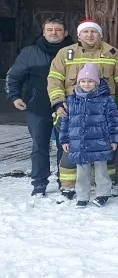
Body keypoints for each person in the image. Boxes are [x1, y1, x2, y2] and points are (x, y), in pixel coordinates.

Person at [48, 19, 118, 203]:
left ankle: (103, 187)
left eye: (93, 32)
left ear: (100, 34)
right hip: (72, 111)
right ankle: (68, 186)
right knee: (71, 150)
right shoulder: (65, 53)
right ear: (79, 35)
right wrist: (58, 103)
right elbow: (54, 79)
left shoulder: (112, 53)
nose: (89, 35)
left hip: (101, 113)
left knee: (104, 151)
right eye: (85, 32)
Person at [6, 18, 73, 196]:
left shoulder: (74, 52)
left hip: (66, 107)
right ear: (43, 32)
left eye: (58, 29)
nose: (53, 32)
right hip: (38, 106)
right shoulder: (30, 52)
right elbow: (14, 76)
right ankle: (39, 182)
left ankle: (65, 181)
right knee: (39, 146)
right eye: (49, 29)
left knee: (66, 146)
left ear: (65, 32)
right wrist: (15, 96)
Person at [58, 63, 118, 208]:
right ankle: (82, 196)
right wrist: (65, 139)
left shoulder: (106, 99)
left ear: (96, 82)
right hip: (79, 142)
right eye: (83, 81)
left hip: (100, 141)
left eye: (90, 81)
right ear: (78, 82)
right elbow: (65, 122)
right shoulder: (72, 100)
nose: (86, 84)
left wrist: (114, 139)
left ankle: (103, 193)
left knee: (101, 171)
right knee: (82, 172)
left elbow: (113, 121)